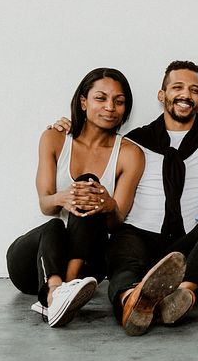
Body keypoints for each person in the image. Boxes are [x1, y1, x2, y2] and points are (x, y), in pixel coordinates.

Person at [51, 60, 198, 335]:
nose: (185, 95)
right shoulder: (133, 141)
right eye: (177, 87)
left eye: (194, 90)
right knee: (122, 255)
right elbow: (94, 144)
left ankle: (179, 295)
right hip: (139, 235)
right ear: (161, 95)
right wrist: (71, 128)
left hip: (188, 241)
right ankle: (131, 300)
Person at [7, 68, 144, 327]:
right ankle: (59, 291)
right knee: (56, 224)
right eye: (100, 98)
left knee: (90, 187)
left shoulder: (130, 153)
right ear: (83, 102)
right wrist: (64, 198)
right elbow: (45, 204)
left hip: (87, 263)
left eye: (119, 101)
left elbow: (116, 222)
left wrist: (108, 204)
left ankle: (58, 293)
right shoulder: (55, 138)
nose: (110, 107)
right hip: (37, 258)